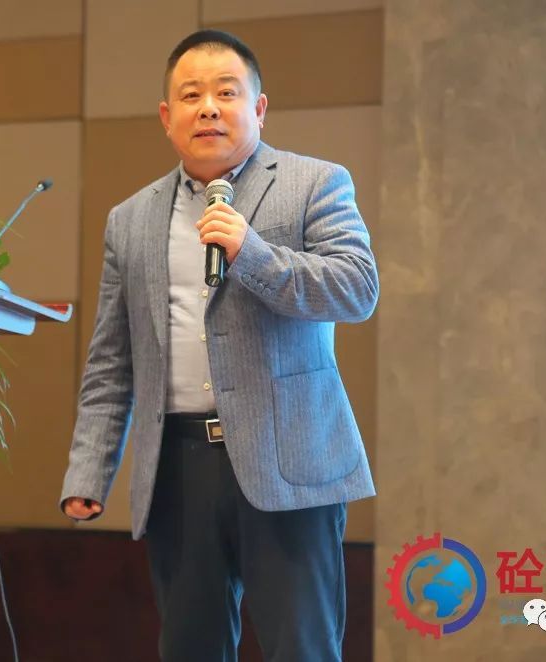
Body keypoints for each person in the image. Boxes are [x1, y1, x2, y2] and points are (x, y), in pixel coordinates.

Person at [60, 29, 377, 661]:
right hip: (178, 468)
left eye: (226, 93)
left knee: (302, 648)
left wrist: (250, 252)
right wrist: (89, 470)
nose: (208, 108)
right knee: (190, 648)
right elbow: (111, 361)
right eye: (191, 95)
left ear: (258, 108)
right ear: (166, 117)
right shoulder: (130, 219)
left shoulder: (315, 183)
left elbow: (356, 289)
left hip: (289, 459)